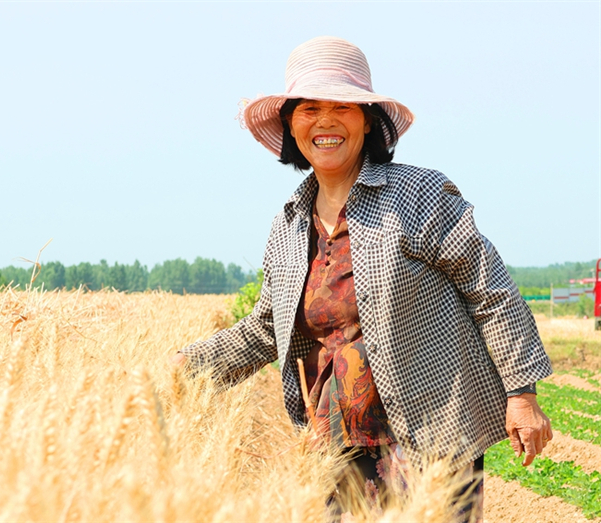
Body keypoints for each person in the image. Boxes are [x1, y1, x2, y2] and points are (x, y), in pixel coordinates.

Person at [170, 36, 553, 521]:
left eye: (342, 107)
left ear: (367, 120)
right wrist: (185, 365)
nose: (325, 121)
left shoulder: (417, 195)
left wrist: (521, 395)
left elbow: (491, 290)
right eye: (309, 107)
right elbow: (269, 327)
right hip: (337, 446)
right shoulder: (288, 223)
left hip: (430, 439)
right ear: (291, 123)